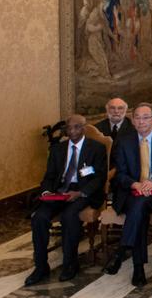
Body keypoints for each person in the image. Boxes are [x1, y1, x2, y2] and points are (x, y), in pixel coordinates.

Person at [26, 115, 107, 285]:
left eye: (76, 127)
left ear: (84, 128)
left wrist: (80, 193)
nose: (72, 131)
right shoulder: (58, 149)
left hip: (82, 192)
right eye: (69, 128)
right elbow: (49, 176)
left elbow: (99, 178)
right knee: (39, 217)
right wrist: (47, 191)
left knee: (69, 217)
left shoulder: (96, 148)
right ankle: (41, 266)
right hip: (59, 191)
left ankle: (70, 264)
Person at [106, 103, 152, 288]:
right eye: (137, 117)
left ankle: (123, 251)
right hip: (131, 191)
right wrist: (135, 184)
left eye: (146, 117)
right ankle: (137, 268)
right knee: (139, 208)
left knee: (138, 206)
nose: (141, 121)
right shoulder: (124, 141)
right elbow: (119, 173)